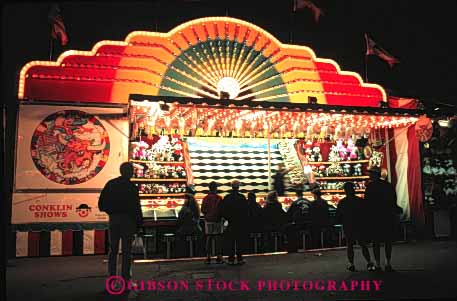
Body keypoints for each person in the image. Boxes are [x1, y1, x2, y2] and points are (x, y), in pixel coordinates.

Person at [98, 162, 143, 282]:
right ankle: (126, 278)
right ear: (129, 172)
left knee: (113, 250)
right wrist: (139, 223)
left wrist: (111, 212)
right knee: (127, 251)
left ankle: (112, 278)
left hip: (114, 219)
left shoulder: (111, 184)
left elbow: (101, 203)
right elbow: (136, 208)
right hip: (128, 220)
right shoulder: (132, 187)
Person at [365, 167, 402, 272]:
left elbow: (367, 204)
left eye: (371, 174)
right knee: (387, 241)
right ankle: (388, 263)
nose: (369, 175)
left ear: (375, 175)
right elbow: (393, 201)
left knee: (376, 242)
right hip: (387, 216)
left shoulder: (370, 187)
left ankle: (378, 264)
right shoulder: (388, 186)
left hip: (375, 217)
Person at [336, 182, 375, 271]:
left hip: (348, 225)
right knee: (363, 244)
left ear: (345, 191)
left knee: (349, 245)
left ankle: (351, 264)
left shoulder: (342, 202)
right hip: (359, 225)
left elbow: (338, 216)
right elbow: (366, 214)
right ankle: (369, 262)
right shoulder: (360, 201)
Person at [219, 180, 249, 265]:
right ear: (238, 187)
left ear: (231, 187)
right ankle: (239, 258)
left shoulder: (227, 197)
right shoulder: (242, 197)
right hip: (239, 222)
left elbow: (222, 210)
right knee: (239, 241)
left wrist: (227, 218)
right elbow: (245, 210)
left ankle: (231, 259)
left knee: (230, 241)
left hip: (230, 222)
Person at [176, 185, 203, 256]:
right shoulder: (196, 206)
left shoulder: (185, 208)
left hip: (187, 229)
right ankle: (196, 252)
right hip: (197, 228)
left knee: (178, 234)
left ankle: (182, 253)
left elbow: (180, 218)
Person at [201, 181, 224, 264]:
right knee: (218, 238)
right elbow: (222, 209)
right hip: (217, 220)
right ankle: (219, 257)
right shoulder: (219, 198)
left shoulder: (206, 198)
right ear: (216, 188)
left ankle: (208, 257)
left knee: (209, 238)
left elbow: (203, 210)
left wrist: (207, 215)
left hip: (208, 220)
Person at [309, 184, 330, 249]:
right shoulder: (325, 202)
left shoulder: (313, 203)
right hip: (325, 222)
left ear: (315, 195)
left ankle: (313, 244)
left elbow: (310, 213)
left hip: (316, 223)